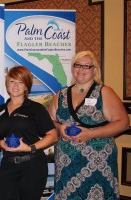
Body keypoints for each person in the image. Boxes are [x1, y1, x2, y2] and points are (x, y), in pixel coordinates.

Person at [48, 50, 130, 200]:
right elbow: (48, 121)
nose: (81, 69)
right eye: (77, 65)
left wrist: (91, 133)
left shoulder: (104, 92)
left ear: (95, 70)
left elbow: (123, 123)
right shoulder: (61, 94)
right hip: (66, 164)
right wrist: (59, 127)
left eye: (86, 66)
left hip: (97, 163)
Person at [0, 66, 58, 200]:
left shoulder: (36, 109)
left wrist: (29, 147)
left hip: (32, 166)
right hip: (8, 166)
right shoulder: (0, 110)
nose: (16, 86)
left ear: (26, 86)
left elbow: (53, 135)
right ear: (7, 84)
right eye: (12, 81)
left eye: (20, 82)